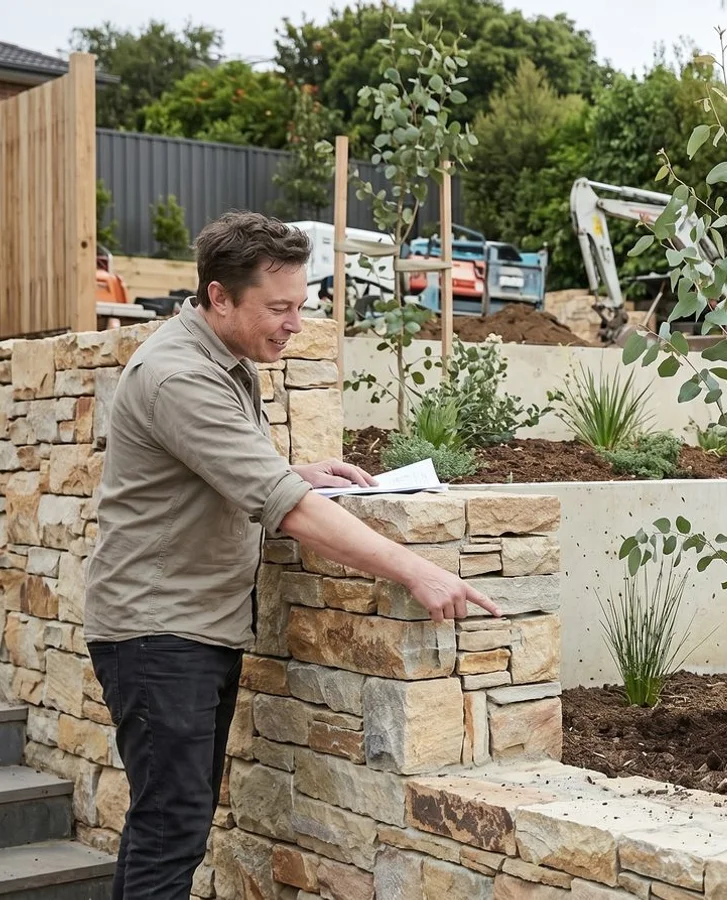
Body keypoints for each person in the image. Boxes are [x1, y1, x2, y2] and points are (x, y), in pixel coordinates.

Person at [83, 211, 500, 900]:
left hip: (189, 627)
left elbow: (228, 474)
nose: (295, 323)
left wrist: (292, 471)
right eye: (279, 307)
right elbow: (292, 514)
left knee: (175, 822)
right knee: (170, 827)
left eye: (301, 305)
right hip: (157, 633)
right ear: (219, 296)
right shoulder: (177, 375)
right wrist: (418, 569)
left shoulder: (221, 360)